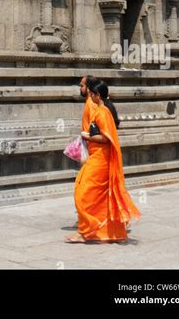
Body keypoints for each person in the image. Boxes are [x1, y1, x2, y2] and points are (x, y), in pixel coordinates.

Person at [66, 79, 140, 242]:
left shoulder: (103, 112)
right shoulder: (101, 110)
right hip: (96, 156)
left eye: (91, 94)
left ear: (97, 95)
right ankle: (99, 230)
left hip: (101, 158)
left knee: (83, 192)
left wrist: (89, 136)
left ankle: (86, 232)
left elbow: (107, 138)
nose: (90, 97)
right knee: (97, 195)